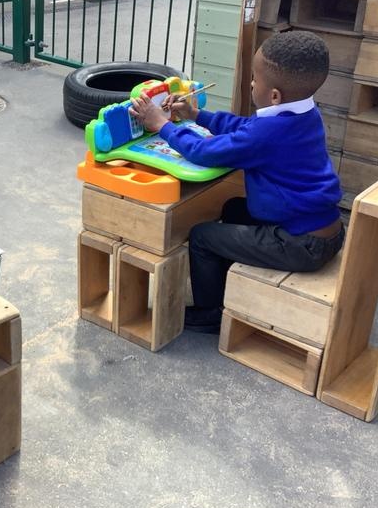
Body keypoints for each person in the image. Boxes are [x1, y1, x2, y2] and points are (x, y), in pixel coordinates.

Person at [129, 30, 344, 334]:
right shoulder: (304, 113)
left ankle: (211, 313)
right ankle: (227, 280)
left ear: (274, 95)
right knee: (232, 208)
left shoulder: (269, 133)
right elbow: (245, 126)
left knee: (202, 236)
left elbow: (203, 152)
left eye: (255, 79)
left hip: (301, 244)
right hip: (324, 230)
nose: (252, 83)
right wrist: (196, 115)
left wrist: (161, 125)